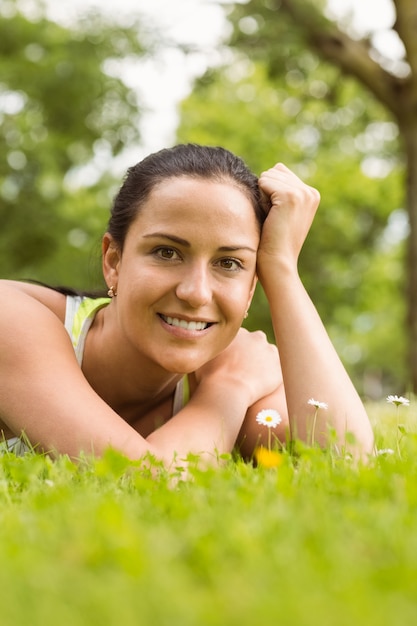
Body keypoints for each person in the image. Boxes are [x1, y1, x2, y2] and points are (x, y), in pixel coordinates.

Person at [0, 144, 374, 466]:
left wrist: (282, 270)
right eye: (167, 252)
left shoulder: (234, 364)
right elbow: (140, 482)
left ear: (250, 290)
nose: (196, 293)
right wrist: (228, 390)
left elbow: (342, 464)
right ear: (113, 261)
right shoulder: (11, 319)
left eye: (229, 263)